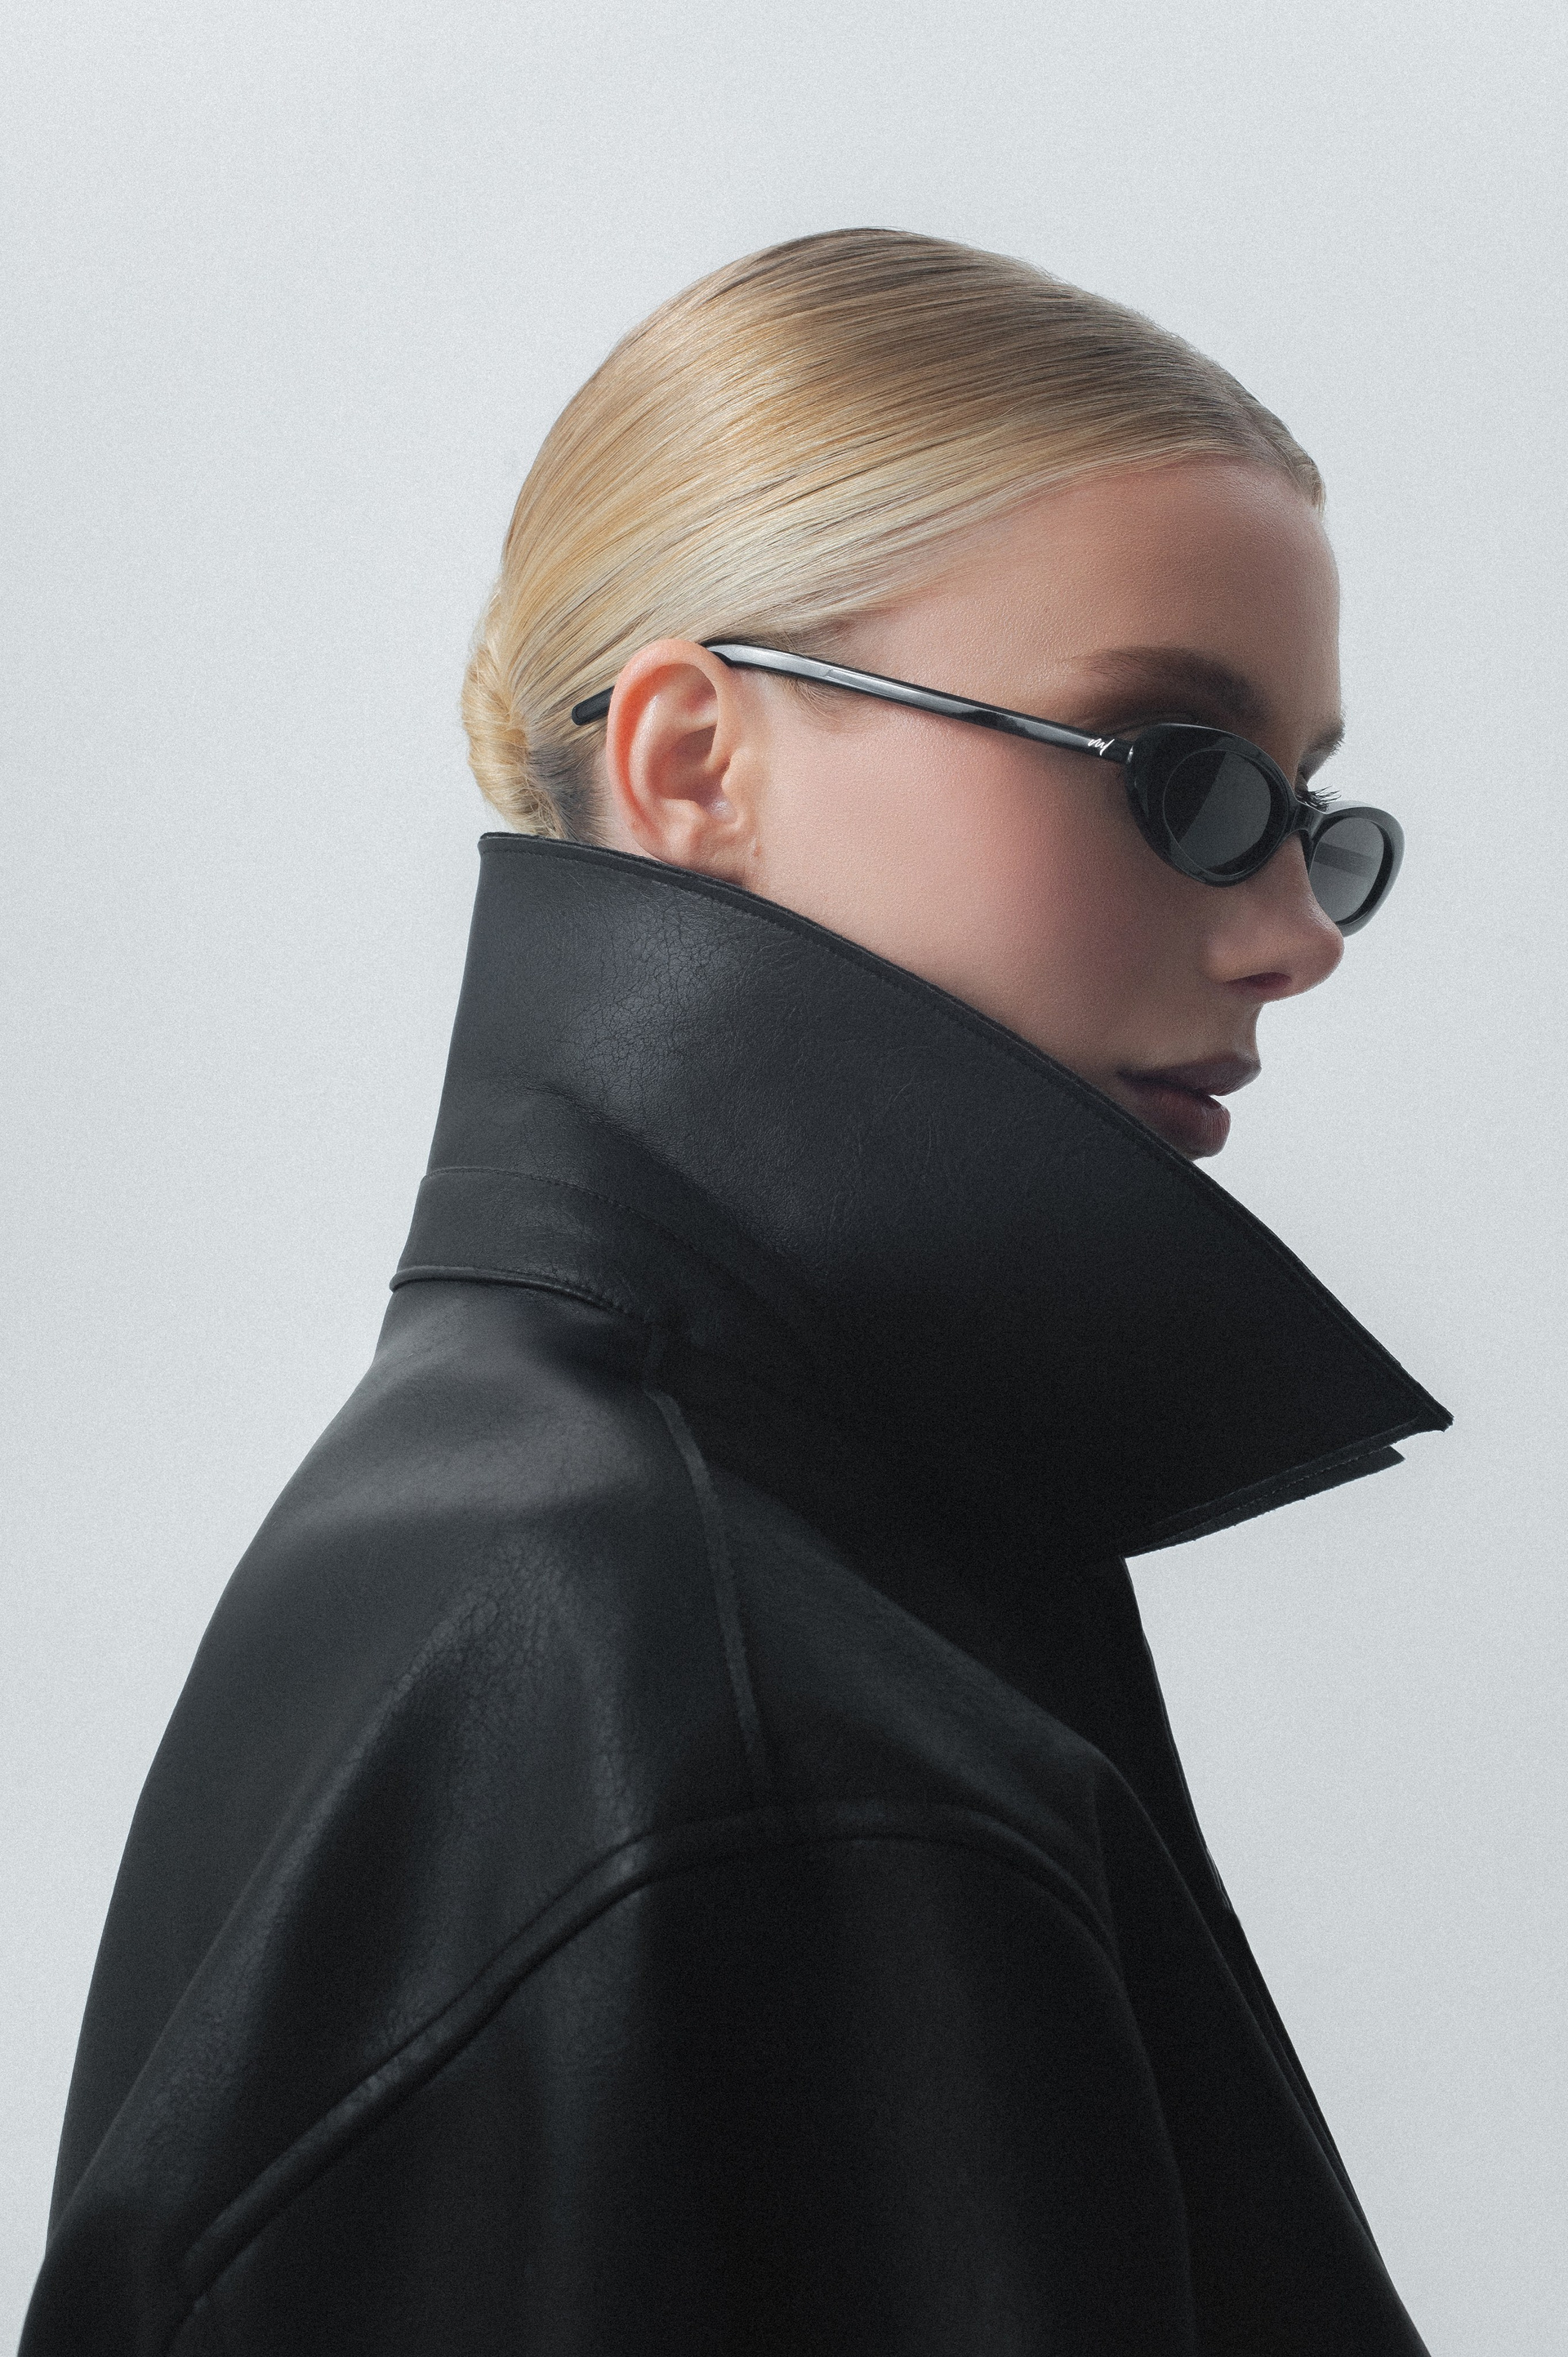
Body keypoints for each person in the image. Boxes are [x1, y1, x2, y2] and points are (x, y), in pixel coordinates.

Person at [24, 229, 1450, 2355]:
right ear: (698, 761)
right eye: (1180, 768)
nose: (1302, 934)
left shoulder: (620, 1551)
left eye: (1314, 818)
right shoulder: (716, 1685)